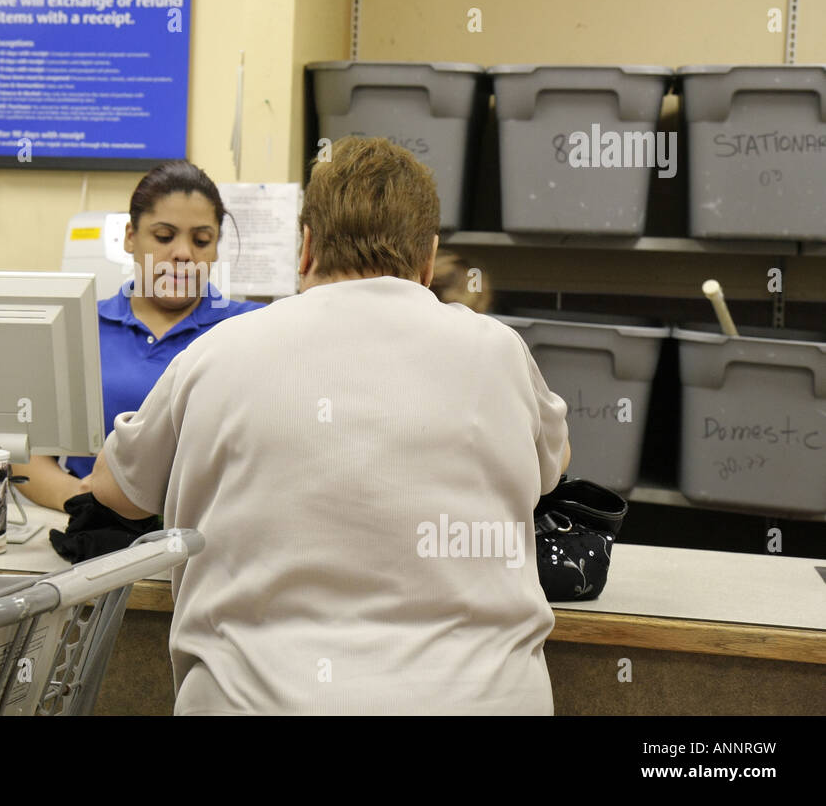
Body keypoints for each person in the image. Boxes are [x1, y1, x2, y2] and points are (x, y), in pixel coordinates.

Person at [86, 136, 572, 715]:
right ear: (427, 257)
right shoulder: (498, 351)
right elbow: (553, 467)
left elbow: (115, 491)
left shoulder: (217, 352)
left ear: (307, 247)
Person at [12, 160, 264, 512]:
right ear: (130, 237)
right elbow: (29, 455)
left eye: (202, 240)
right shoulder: (77, 326)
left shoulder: (250, 328)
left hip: (205, 542)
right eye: (164, 236)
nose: (183, 254)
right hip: (93, 537)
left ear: (216, 248)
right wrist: (85, 501)